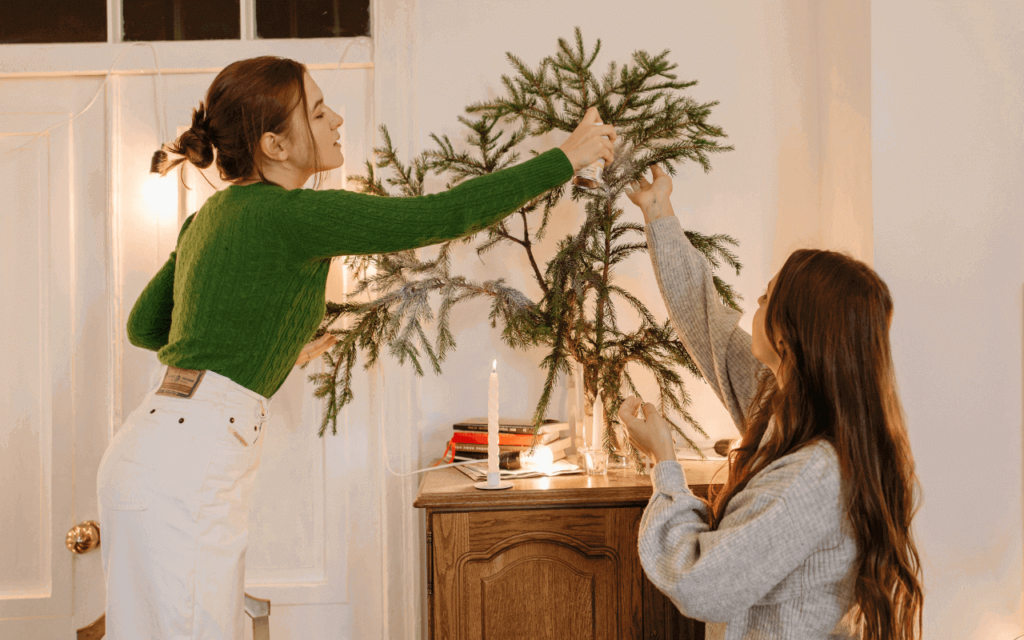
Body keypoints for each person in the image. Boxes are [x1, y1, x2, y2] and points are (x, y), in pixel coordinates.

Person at [96, 55, 615, 640]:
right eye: (318, 112)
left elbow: (145, 326)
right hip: (191, 460)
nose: (337, 118)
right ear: (275, 144)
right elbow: (440, 215)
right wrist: (563, 160)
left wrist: (263, 345)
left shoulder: (209, 215)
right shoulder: (293, 213)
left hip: (148, 451)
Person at [617, 165, 923, 639]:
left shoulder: (813, 474)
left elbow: (699, 581)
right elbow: (706, 321)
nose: (754, 305)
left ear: (789, 334)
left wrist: (665, 463)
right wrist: (658, 210)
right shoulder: (789, 406)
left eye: (765, 298)